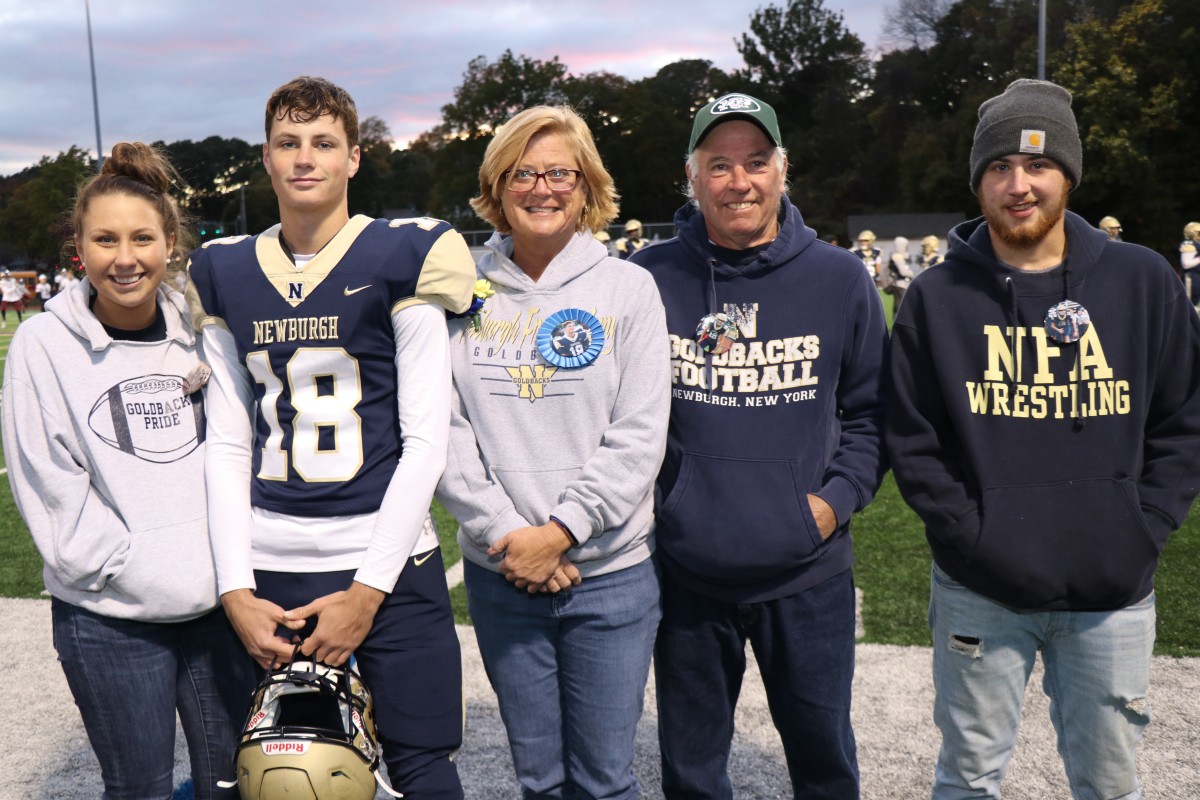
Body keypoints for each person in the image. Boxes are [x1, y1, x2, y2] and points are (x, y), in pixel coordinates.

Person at [886, 78, 1200, 800]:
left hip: (1111, 592)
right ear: (978, 181)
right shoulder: (936, 297)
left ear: (1068, 174)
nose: (1017, 185)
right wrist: (972, 537)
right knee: (967, 777)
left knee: (1110, 783)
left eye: (1037, 165)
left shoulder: (1144, 281)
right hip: (979, 588)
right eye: (998, 167)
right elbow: (913, 436)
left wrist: (1140, 527)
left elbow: (1184, 420)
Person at [186, 76, 476, 798]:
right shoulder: (223, 267)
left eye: (323, 143)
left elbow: (425, 442)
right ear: (266, 158)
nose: (304, 157)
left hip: (387, 562)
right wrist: (234, 590)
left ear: (354, 157)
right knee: (271, 776)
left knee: (423, 765)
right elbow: (226, 442)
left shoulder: (404, 253)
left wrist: (368, 591)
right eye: (289, 143)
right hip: (269, 569)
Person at [630, 92, 889, 799]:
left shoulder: (840, 278)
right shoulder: (648, 279)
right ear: (691, 177)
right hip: (688, 574)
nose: (738, 180)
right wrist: (669, 508)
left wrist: (829, 507)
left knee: (824, 762)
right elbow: (618, 418)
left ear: (782, 171)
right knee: (690, 770)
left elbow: (871, 416)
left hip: (807, 574)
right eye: (719, 164)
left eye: (755, 161)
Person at [1, 141, 254, 799]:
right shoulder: (42, 344)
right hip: (110, 615)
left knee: (230, 785)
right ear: (78, 248)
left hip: (215, 612)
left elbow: (236, 450)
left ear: (169, 243)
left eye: (142, 238)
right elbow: (47, 480)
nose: (125, 257)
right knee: (138, 787)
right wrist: (129, 565)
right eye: (105, 240)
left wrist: (223, 570)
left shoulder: (201, 330)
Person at [436, 104, 670, 800]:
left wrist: (564, 530)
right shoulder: (459, 293)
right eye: (522, 173)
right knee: (538, 781)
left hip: (610, 576)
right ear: (497, 186)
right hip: (502, 575)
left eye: (559, 172)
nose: (542, 188)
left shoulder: (630, 289)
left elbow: (640, 432)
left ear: (587, 182)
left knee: (605, 781)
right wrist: (510, 536)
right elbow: (444, 428)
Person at [885, 235, 916, 316]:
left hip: (903, 284)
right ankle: (898, 326)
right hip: (900, 284)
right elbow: (903, 272)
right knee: (900, 307)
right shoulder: (897, 256)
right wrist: (913, 274)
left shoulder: (901, 255)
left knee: (900, 306)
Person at [1180, 220, 1199, 306]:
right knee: (1190, 302)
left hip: (1198, 275)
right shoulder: (1189, 244)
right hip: (1192, 277)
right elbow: (1186, 264)